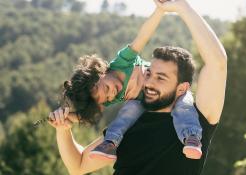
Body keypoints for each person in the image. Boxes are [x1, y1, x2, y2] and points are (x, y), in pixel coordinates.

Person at [49, 0, 227, 174]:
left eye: (161, 78)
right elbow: (77, 166)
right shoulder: (126, 126)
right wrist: (63, 130)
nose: (148, 82)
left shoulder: (197, 119)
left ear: (182, 88)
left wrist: (182, 6)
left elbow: (217, 63)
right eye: (148, 73)